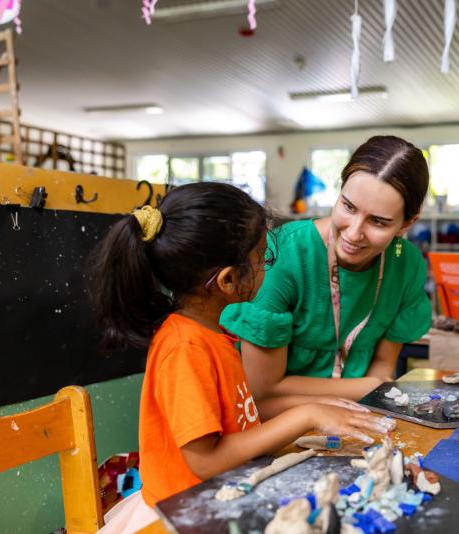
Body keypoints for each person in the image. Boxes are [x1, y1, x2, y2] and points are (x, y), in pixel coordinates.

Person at [89, 183, 391, 531]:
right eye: (263, 256)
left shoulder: (213, 333)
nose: (269, 266)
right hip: (185, 515)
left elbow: (235, 418)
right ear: (229, 280)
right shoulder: (185, 348)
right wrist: (306, 414)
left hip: (221, 495)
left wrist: (317, 409)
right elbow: (206, 460)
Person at [221, 135, 432, 402]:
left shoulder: (407, 265)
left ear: (407, 223)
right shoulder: (280, 255)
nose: (354, 233)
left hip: (353, 414)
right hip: (269, 421)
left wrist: (370, 390)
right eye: (348, 206)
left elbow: (382, 365)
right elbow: (262, 392)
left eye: (378, 222)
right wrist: (370, 387)